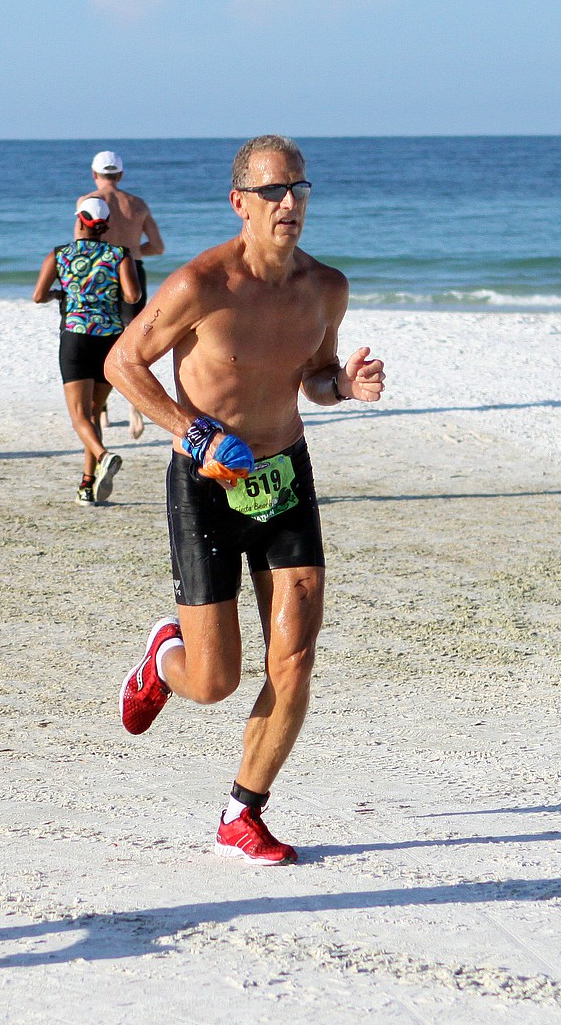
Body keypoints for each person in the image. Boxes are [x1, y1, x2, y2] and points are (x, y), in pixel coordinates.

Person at [107, 135, 385, 864]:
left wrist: (344, 387)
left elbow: (316, 377)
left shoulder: (326, 288)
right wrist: (191, 430)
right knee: (215, 679)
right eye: (272, 192)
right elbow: (121, 362)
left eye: (298, 189)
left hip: (284, 475)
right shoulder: (201, 284)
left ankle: (242, 811)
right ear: (240, 203)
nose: (289, 202)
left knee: (294, 657)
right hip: (206, 485)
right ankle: (164, 656)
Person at [33, 197, 141, 504]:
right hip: (109, 339)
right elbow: (133, 296)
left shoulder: (60, 254)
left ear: (81, 221)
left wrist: (61, 292)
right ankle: (86, 485)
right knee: (93, 413)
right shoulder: (119, 254)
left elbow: (38, 295)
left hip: (76, 336)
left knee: (80, 416)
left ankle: (105, 457)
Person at [77, 150, 165, 440]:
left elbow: (82, 246)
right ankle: (134, 404)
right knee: (131, 340)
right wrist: (133, 251)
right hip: (133, 269)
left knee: (100, 337)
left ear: (94, 174)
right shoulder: (137, 204)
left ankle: (100, 412)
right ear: (121, 175)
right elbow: (158, 246)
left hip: (100, 271)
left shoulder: (87, 202)